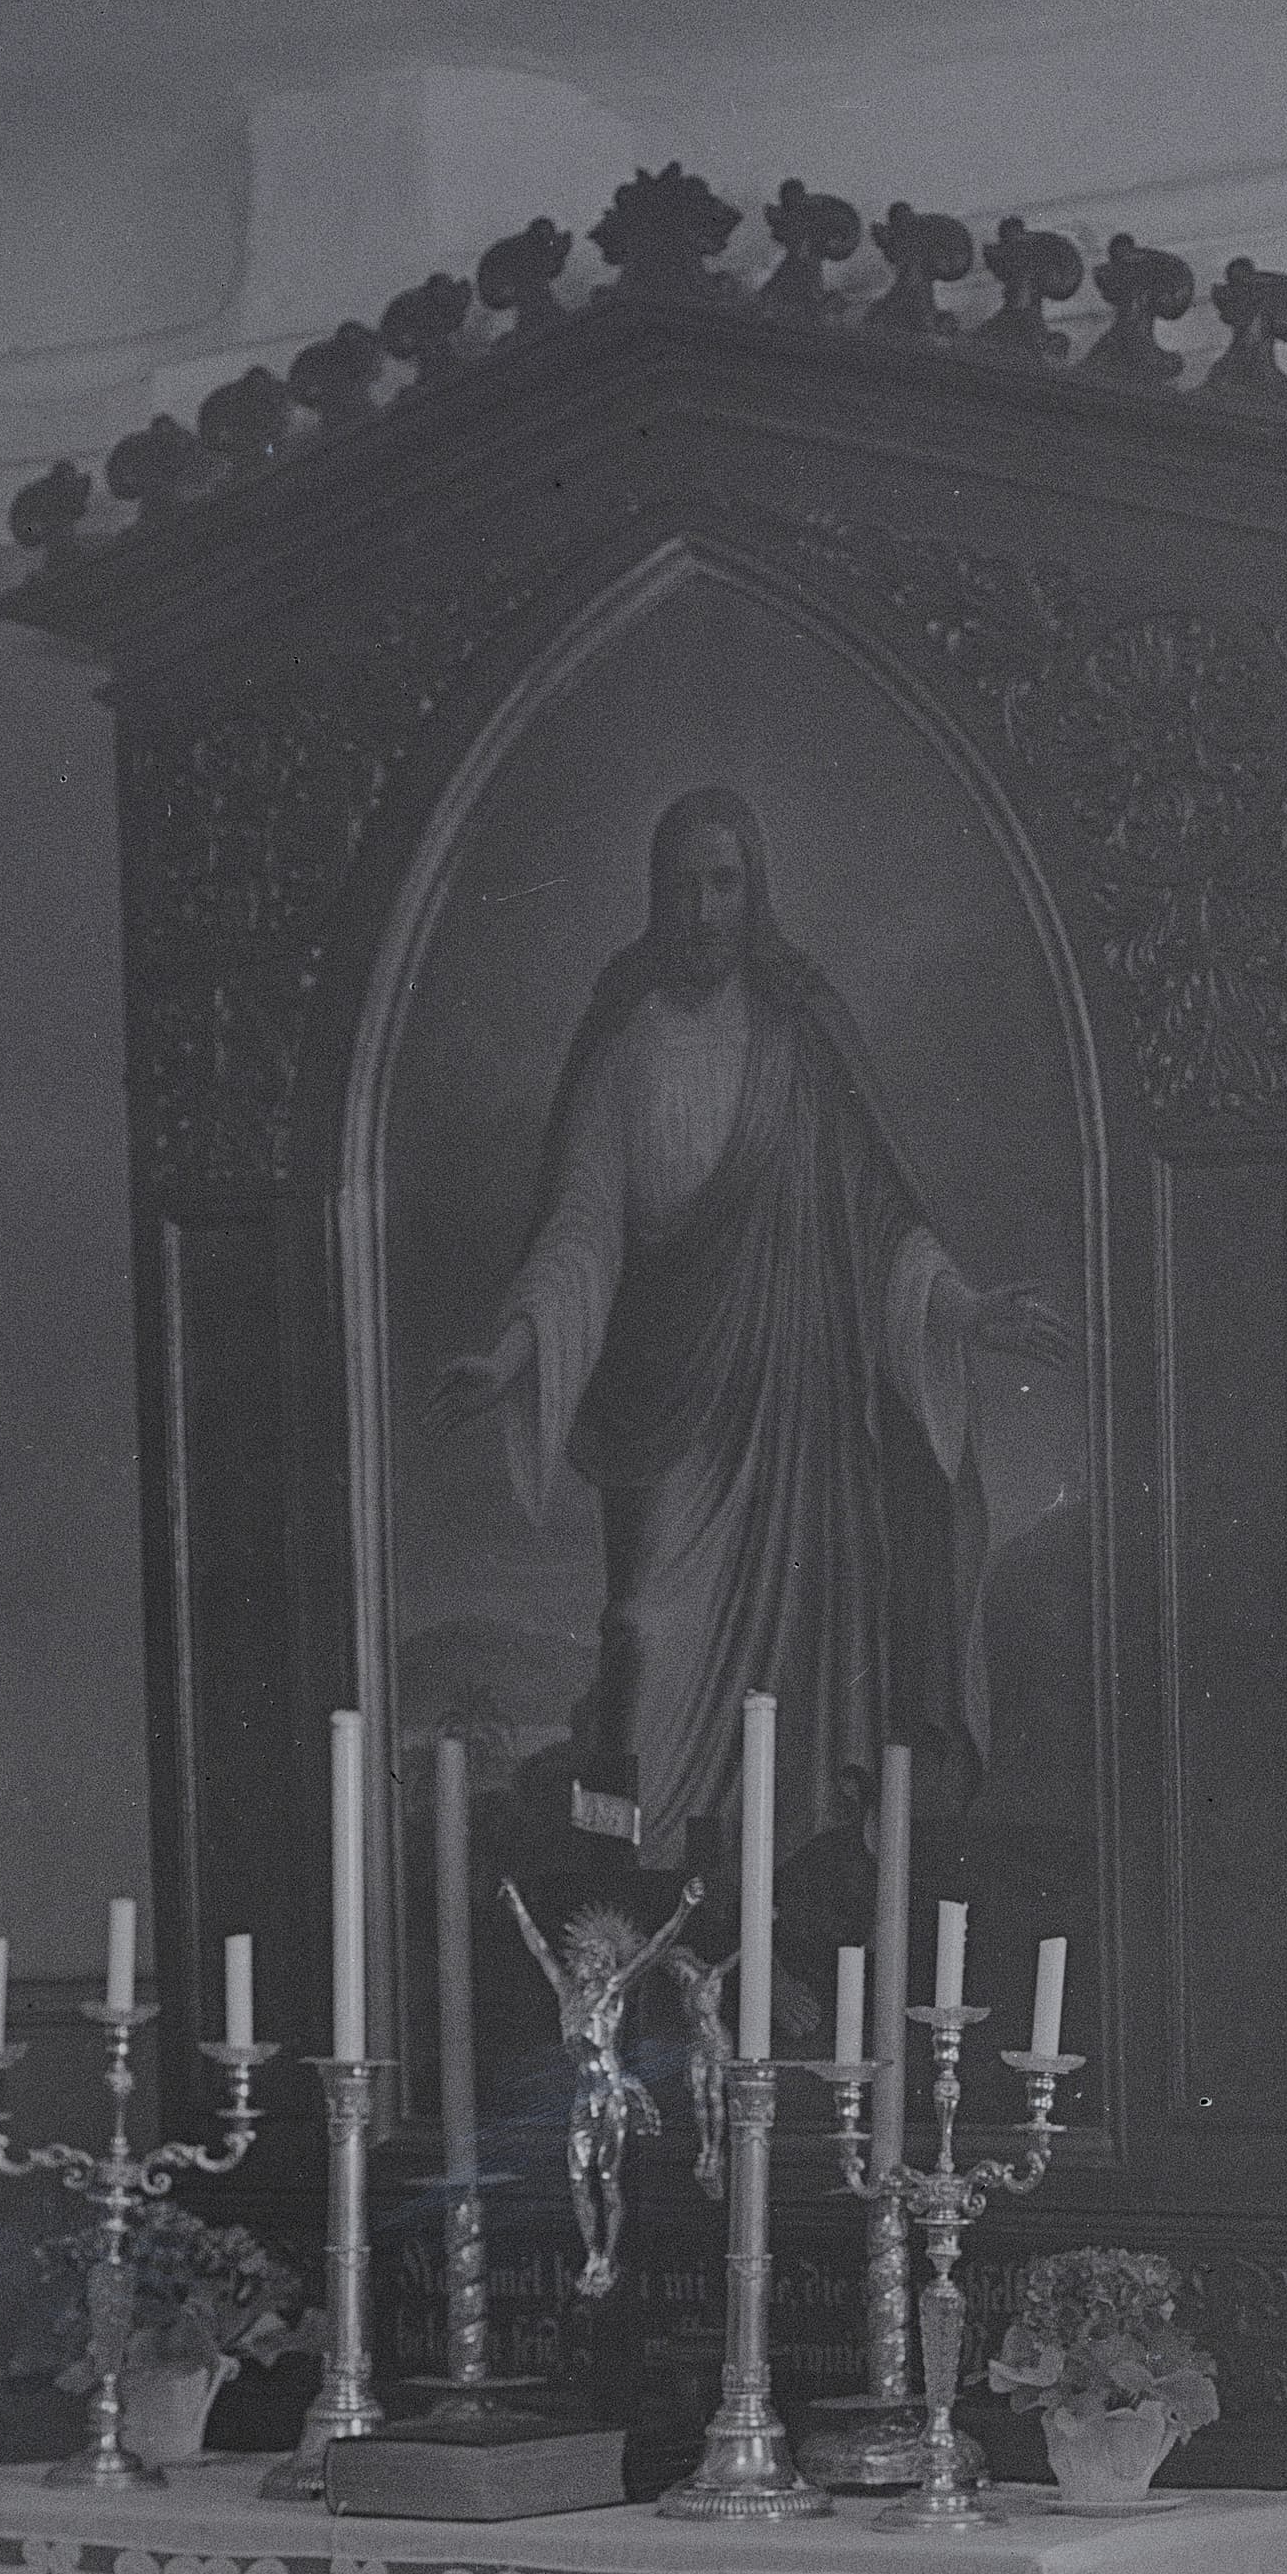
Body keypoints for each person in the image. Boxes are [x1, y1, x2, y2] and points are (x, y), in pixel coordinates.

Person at [425, 788, 1073, 1862]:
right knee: (641, 1634)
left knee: (798, 1683)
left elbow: (875, 1220)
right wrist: (512, 1355)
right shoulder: (626, 1046)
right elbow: (581, 1227)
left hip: (793, 1429)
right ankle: (634, 1901)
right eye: (683, 885)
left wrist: (963, 1309)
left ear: (754, 890)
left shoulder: (798, 1041)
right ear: (656, 896)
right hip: (669, 1417)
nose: (703, 910)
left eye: (723, 883)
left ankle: (774, 1902)